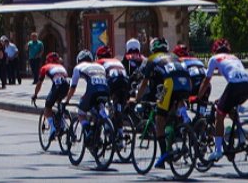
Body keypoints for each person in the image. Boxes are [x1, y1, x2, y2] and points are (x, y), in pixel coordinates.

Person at [134, 37, 192, 169]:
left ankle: (164, 153)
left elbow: (144, 83)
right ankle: (183, 122)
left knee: (159, 118)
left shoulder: (152, 59)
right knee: (174, 108)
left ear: (152, 48)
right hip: (186, 83)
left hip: (170, 83)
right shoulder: (174, 56)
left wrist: (137, 98)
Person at [198, 38, 248, 162]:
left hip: (234, 85)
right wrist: (221, 99)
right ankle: (241, 139)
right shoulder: (235, 58)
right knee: (229, 108)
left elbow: (206, 81)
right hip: (246, 84)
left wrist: (198, 96)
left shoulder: (214, 59)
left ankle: (218, 150)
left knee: (219, 115)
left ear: (214, 50)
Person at [64, 49, 109, 141]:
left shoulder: (78, 67)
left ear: (78, 60)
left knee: (81, 112)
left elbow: (73, 87)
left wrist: (66, 100)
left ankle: (88, 131)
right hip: (106, 90)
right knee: (100, 107)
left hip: (93, 90)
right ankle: (106, 124)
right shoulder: (99, 66)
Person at [31, 52, 69, 140]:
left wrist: (35, 94)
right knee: (58, 102)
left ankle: (53, 129)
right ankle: (62, 123)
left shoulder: (45, 67)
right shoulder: (61, 67)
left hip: (57, 85)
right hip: (66, 86)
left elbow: (39, 83)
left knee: (48, 107)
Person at [95, 45, 129, 134]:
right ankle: (120, 136)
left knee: (100, 100)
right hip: (125, 82)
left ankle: (106, 124)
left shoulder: (100, 61)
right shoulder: (117, 61)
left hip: (113, 82)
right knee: (118, 108)